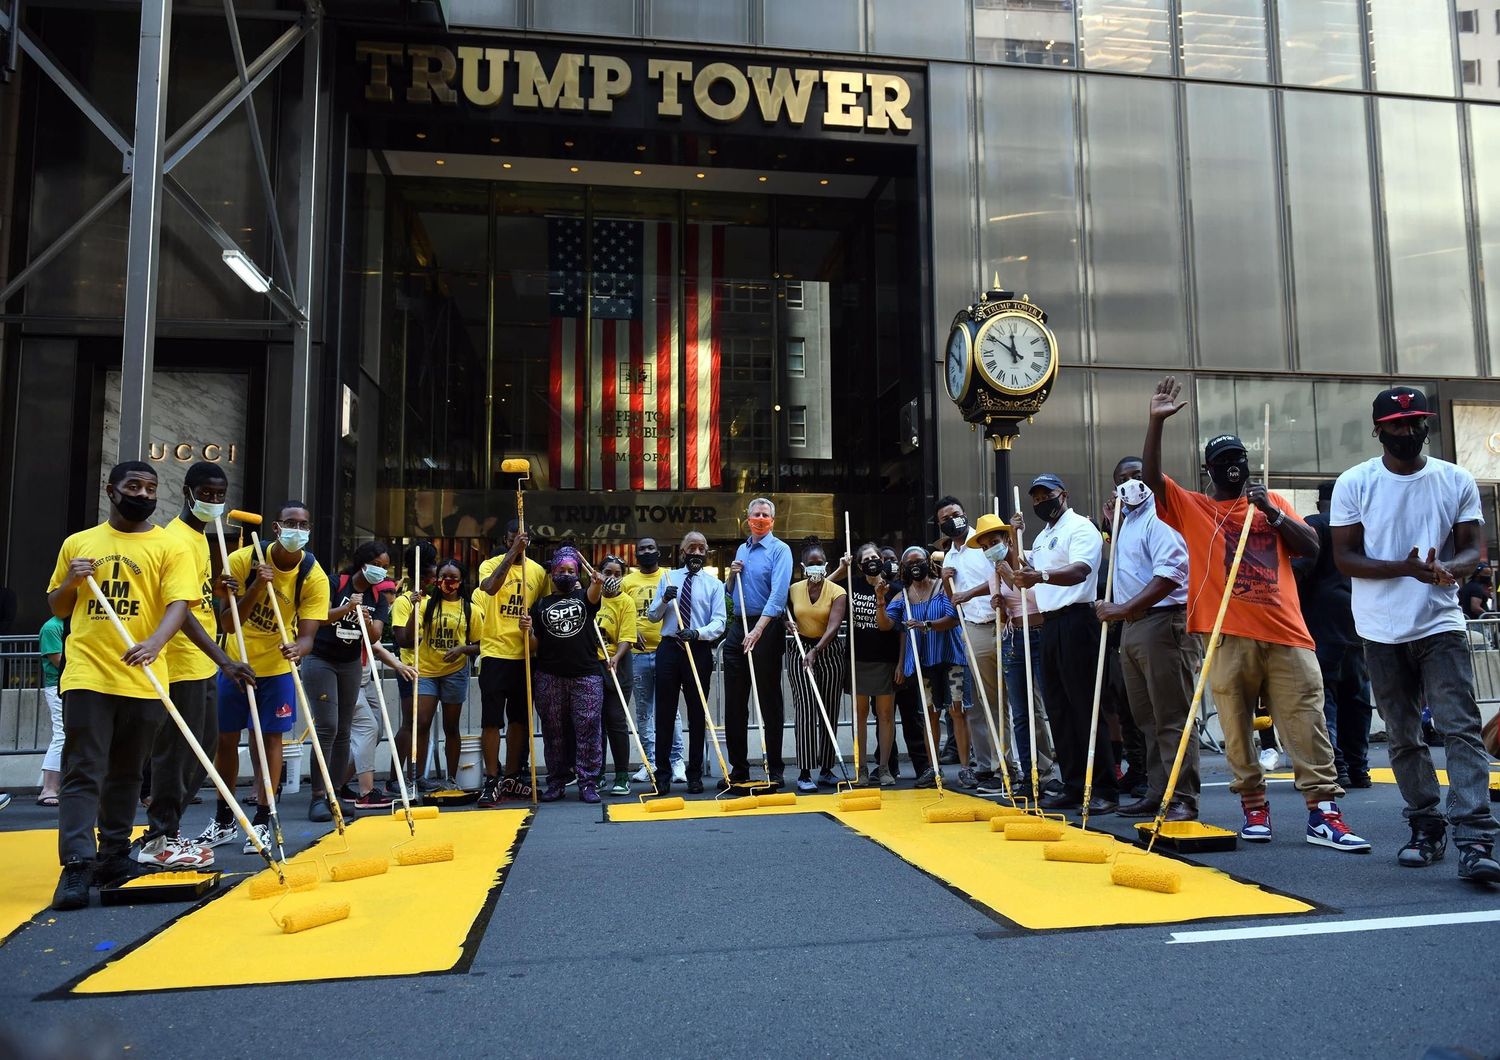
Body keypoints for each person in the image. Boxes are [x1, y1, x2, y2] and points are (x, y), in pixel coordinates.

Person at [1145, 376, 1368, 852]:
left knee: (1306, 721)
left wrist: (1275, 513)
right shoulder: (1195, 508)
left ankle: (1324, 813)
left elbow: (1311, 547)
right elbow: (1151, 480)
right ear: (1208, 470)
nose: (1232, 468)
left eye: (1238, 460)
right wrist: (1156, 423)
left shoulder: (1273, 504)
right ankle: (1254, 808)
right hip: (1226, 633)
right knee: (1235, 726)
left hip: (1287, 633)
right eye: (1222, 462)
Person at [1331, 386, 1500, 882]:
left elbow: (1474, 548)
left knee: (1459, 726)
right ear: (1378, 429)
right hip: (1379, 629)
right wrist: (1405, 569)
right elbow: (1345, 558)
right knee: (1403, 735)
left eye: (1416, 423)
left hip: (1439, 621)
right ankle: (1426, 824)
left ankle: (1474, 836)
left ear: (1426, 426)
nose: (1408, 432)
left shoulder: (1455, 478)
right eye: (1397, 425)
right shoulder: (1355, 482)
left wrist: (1450, 566)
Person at [46, 461, 197, 910]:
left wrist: (154, 642)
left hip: (145, 677)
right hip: (89, 672)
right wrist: (73, 579)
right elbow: (58, 605)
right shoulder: (80, 543)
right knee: (83, 770)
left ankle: (112, 855)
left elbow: (179, 604)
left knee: (128, 774)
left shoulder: (170, 546)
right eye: (134, 486)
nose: (144, 494)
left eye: (151, 488)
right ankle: (76, 864)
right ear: (112, 491)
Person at [135, 463, 257, 867]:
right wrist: (225, 660)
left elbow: (201, 600)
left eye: (220, 495)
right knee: (180, 752)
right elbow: (180, 610)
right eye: (206, 494)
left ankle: (168, 831)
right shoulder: (177, 540)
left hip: (201, 663)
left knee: (202, 747)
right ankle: (160, 838)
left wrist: (222, 591)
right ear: (187, 492)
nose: (214, 502)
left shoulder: (202, 539)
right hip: (184, 661)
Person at [198, 501, 330, 855]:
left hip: (275, 670)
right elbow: (227, 624)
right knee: (225, 741)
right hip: (234, 664)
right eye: (290, 523)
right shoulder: (244, 560)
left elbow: (307, 637)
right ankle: (224, 818)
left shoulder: (313, 575)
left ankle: (263, 817)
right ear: (276, 527)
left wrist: (297, 650)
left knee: (271, 740)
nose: (296, 531)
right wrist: (256, 586)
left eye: (303, 525)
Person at [1096, 458, 1199, 822]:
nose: (1131, 484)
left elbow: (1170, 575)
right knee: (1147, 718)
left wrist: (1122, 609)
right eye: (1122, 479)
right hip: (1135, 626)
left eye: (1137, 476)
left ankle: (1182, 796)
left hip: (1162, 621)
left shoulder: (1162, 516)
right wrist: (1113, 523)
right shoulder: (1127, 524)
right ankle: (1158, 791)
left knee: (1171, 716)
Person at [1012, 473, 1117, 814]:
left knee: (1084, 706)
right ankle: (1073, 783)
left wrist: (1039, 576)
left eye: (1047, 495)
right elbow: (1031, 574)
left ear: (1064, 494)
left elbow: (1080, 571)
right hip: (1050, 623)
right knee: (1058, 707)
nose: (1042, 502)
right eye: (1036, 498)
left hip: (1078, 619)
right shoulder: (1042, 537)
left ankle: (1103, 786)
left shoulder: (1080, 527)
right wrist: (1016, 545)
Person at [303, 541, 392, 821]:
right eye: (376, 565)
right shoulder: (333, 583)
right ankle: (318, 796)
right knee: (327, 727)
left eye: (385, 568)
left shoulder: (378, 598)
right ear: (362, 562)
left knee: (343, 730)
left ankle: (336, 792)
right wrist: (346, 609)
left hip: (351, 663)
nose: (380, 572)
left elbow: (375, 635)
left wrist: (365, 620)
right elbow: (316, 618)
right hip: (321, 659)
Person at [1293, 481, 1373, 790]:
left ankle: (1335, 766)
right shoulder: (1362, 527)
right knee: (1357, 699)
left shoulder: (1314, 525)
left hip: (1320, 625)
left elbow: (1300, 570)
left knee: (1323, 700)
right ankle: (1359, 768)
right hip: (1358, 625)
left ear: (1318, 502)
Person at [520, 546, 604, 803]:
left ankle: (588, 782)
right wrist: (528, 631)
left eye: (571, 570)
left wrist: (597, 582)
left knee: (588, 729)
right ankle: (556, 781)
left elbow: (594, 593)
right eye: (561, 570)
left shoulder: (584, 597)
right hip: (549, 675)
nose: (566, 574)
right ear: (552, 573)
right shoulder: (540, 604)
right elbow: (534, 646)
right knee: (553, 731)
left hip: (586, 674)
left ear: (578, 574)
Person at [878, 545, 963, 788]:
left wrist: (926, 625)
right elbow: (886, 624)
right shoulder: (903, 595)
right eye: (909, 563)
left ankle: (966, 768)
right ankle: (933, 769)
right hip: (923, 661)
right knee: (929, 715)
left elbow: (952, 617)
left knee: (957, 711)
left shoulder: (941, 587)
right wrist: (880, 600)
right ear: (904, 569)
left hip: (950, 656)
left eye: (919, 560)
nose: (915, 566)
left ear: (927, 561)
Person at [647, 532, 726, 794]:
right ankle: (663, 774)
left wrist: (698, 633)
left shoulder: (714, 584)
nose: (697, 551)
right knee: (665, 714)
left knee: (696, 712)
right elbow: (652, 616)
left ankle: (694, 774)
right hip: (670, 648)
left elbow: (720, 622)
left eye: (701, 548)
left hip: (698, 648)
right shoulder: (668, 578)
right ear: (682, 552)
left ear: (706, 553)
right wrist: (664, 599)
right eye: (691, 547)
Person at [477, 521, 549, 806]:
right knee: (491, 720)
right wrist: (511, 556)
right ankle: (492, 777)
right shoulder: (489, 564)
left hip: (524, 654)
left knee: (520, 719)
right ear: (506, 541)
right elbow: (490, 589)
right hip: (495, 652)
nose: (516, 545)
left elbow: (543, 611)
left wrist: (532, 629)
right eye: (511, 540)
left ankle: (511, 775)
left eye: (521, 542)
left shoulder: (539, 572)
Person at [723, 498, 793, 789]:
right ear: (747, 518)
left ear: (773, 520)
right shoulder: (742, 549)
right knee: (734, 703)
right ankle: (738, 769)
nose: (761, 518)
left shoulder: (780, 550)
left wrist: (759, 630)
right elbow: (729, 593)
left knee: (768, 700)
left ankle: (774, 768)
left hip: (767, 628)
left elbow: (778, 596)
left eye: (766, 515)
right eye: (756, 514)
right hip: (740, 626)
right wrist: (731, 575)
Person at [937, 497, 1003, 792]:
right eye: (946, 518)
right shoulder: (949, 557)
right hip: (973, 628)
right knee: (978, 704)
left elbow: (998, 577)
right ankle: (986, 766)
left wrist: (968, 594)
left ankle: (1010, 765)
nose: (953, 520)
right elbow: (954, 599)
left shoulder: (983, 544)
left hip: (1001, 622)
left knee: (1007, 701)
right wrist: (946, 581)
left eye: (956, 514)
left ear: (965, 515)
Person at [397, 558, 479, 789]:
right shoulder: (425, 605)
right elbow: (408, 638)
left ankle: (451, 778)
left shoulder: (470, 609)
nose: (448, 582)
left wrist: (463, 649)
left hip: (455, 673)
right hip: (427, 672)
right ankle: (418, 778)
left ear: (461, 582)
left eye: (454, 578)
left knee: (451, 727)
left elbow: (482, 644)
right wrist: (414, 608)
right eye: (443, 577)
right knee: (421, 722)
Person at [621, 538, 686, 786]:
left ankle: (676, 761)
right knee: (644, 711)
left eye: (651, 548)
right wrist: (628, 631)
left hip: (667, 653)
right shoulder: (627, 582)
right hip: (637, 656)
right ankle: (650, 762)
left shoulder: (671, 576)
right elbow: (620, 612)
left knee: (671, 711)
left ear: (659, 552)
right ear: (636, 556)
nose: (647, 552)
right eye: (642, 550)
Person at [786, 540, 849, 792]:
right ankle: (804, 772)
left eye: (819, 563)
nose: (815, 567)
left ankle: (826, 769)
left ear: (826, 565)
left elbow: (834, 625)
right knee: (806, 709)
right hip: (799, 651)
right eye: (811, 564)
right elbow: (785, 614)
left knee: (829, 709)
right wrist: (785, 624)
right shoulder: (793, 589)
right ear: (803, 566)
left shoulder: (837, 591)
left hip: (829, 652)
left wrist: (817, 650)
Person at [848, 542, 900, 786]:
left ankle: (884, 767)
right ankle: (861, 769)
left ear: (882, 560)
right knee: (860, 715)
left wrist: (880, 598)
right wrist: (842, 567)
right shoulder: (852, 585)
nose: (871, 561)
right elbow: (825, 584)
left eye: (875, 557)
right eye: (865, 558)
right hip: (858, 659)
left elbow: (888, 626)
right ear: (859, 565)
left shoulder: (895, 590)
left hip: (884, 658)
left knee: (886, 715)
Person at [389, 542, 436, 792]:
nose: (434, 580)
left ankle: (416, 776)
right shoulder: (404, 601)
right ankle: (395, 778)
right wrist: (413, 611)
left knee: (424, 723)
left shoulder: (435, 601)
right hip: (410, 668)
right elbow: (403, 639)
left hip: (430, 669)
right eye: (431, 576)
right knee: (410, 723)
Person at [593, 556, 637, 796]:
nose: (612, 577)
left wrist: (616, 658)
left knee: (615, 719)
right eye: (607, 572)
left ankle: (621, 774)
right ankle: (597, 773)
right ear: (598, 573)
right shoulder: (591, 597)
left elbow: (627, 637)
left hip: (617, 664)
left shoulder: (625, 602)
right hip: (592, 665)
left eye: (617, 573)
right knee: (594, 722)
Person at [37, 615, 66, 806]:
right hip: (58, 685)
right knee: (62, 733)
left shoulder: (69, 622)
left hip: (73, 683)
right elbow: (58, 660)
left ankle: (53, 787)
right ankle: (48, 787)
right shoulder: (51, 627)